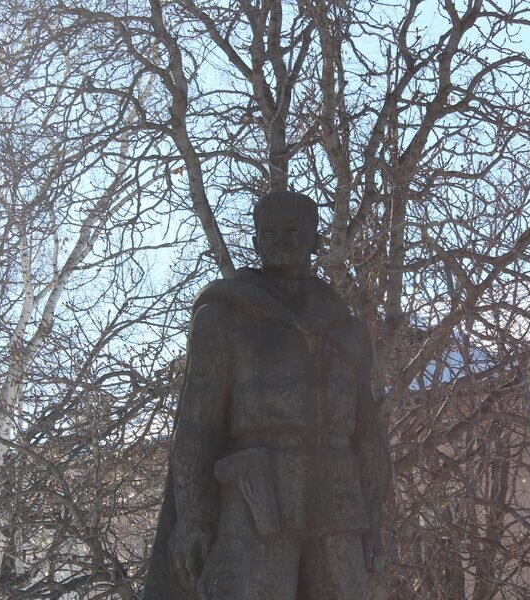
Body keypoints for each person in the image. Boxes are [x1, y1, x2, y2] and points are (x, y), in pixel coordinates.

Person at [143, 190, 391, 600]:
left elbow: (368, 434)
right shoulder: (223, 317)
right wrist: (193, 517)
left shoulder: (348, 331)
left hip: (337, 500)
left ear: (315, 240)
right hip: (255, 498)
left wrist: (376, 516)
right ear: (256, 241)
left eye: (293, 231)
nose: (281, 240)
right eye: (270, 232)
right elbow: (198, 427)